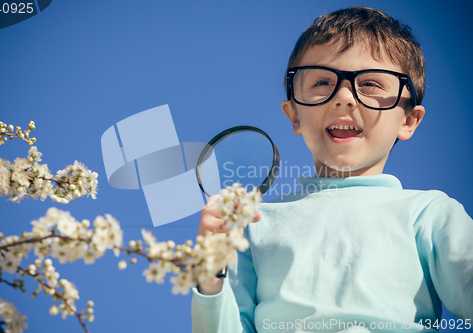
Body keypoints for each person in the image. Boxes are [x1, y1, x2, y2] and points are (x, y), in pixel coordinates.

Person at [191, 6, 473, 333]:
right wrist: (210, 276)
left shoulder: (429, 214)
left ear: (408, 120)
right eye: (323, 81)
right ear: (294, 115)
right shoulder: (253, 225)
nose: (344, 97)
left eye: (369, 84)